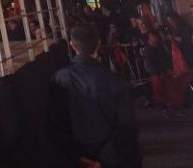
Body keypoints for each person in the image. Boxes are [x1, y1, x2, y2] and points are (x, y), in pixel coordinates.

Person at [49, 25, 140, 168]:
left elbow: (55, 126)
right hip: (112, 157)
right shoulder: (115, 80)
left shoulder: (60, 79)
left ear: (72, 45)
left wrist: (78, 157)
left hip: (77, 158)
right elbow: (128, 127)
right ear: (98, 43)